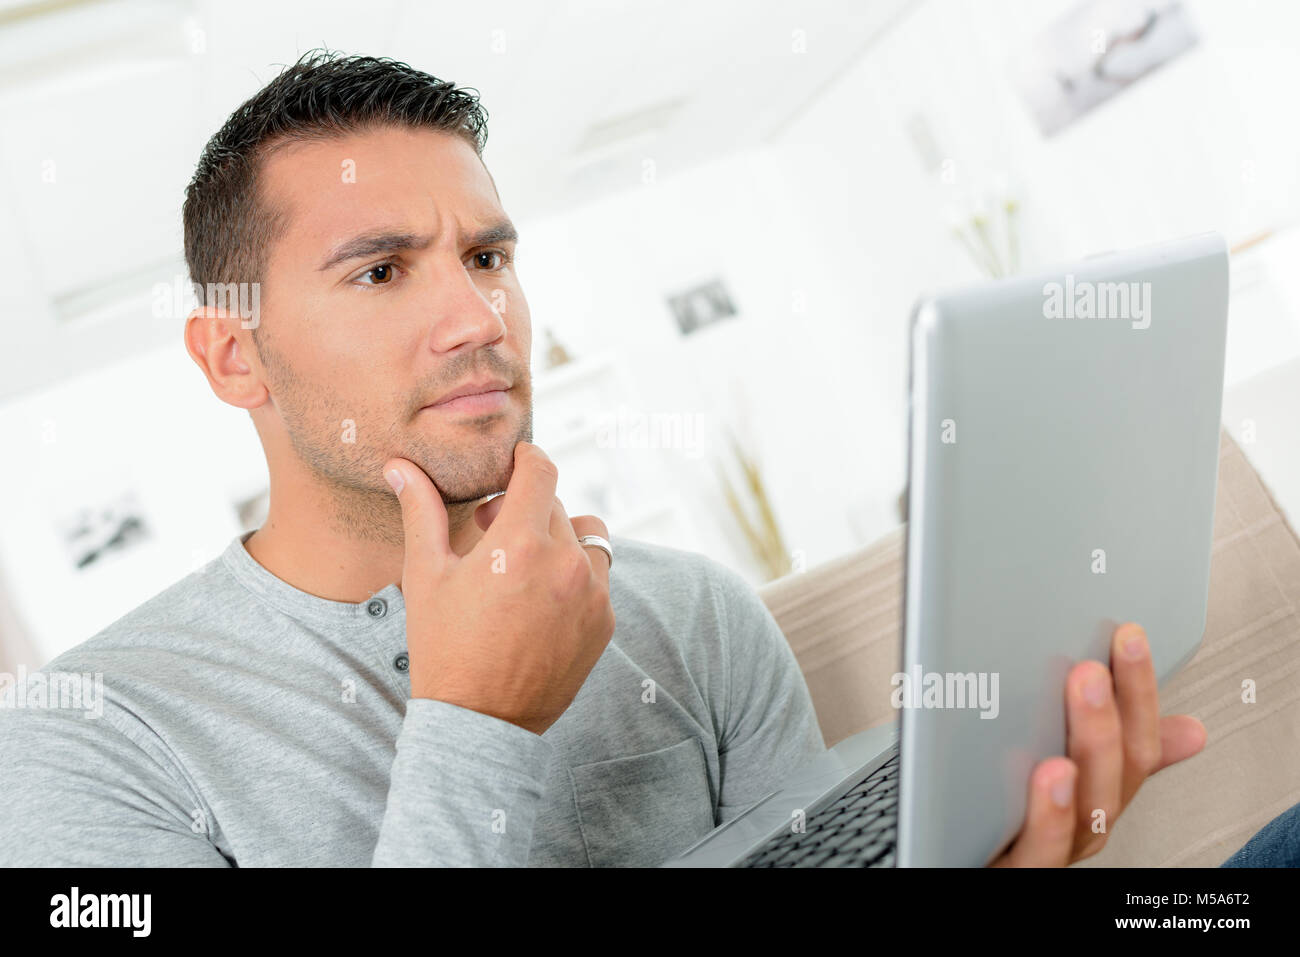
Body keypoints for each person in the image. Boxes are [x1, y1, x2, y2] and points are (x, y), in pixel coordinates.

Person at [0, 51, 1206, 867]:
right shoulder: (86, 738)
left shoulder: (693, 616)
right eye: (380, 270)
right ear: (233, 359)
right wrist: (477, 715)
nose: (480, 318)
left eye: (486, 256)